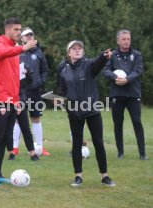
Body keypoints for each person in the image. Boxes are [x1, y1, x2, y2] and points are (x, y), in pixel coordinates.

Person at [0, 17, 37, 186]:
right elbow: (1, 53)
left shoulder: (15, 48)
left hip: (12, 99)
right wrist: (23, 48)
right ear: (7, 30)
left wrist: (17, 100)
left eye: (20, 30)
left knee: (6, 137)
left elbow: (14, 78)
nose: (19, 33)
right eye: (16, 30)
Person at [56, 40, 115, 186]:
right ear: (68, 52)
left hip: (92, 110)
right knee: (76, 144)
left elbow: (98, 63)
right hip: (74, 112)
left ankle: (104, 176)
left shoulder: (89, 65)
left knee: (98, 142)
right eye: (74, 49)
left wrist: (103, 56)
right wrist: (58, 99)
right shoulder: (63, 70)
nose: (77, 50)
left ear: (83, 51)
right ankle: (78, 176)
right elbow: (62, 90)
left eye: (79, 48)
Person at [102, 30, 148, 160]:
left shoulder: (137, 55)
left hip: (133, 94)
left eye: (128, 39)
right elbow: (105, 71)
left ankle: (142, 153)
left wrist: (127, 79)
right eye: (123, 39)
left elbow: (138, 70)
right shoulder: (112, 55)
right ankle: (120, 152)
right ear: (118, 41)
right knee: (118, 123)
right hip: (117, 94)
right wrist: (115, 77)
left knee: (137, 122)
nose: (126, 41)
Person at [13, 27, 50, 156]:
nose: (29, 37)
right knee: (17, 119)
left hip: (35, 91)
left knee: (36, 117)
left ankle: (40, 146)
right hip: (20, 91)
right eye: (26, 35)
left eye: (31, 35)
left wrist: (41, 81)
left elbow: (45, 70)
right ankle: (14, 147)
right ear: (21, 38)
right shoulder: (16, 52)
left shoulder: (39, 52)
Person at [6, 63, 40, 161]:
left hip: (20, 101)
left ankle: (32, 153)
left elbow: (29, 83)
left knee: (25, 128)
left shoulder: (22, 66)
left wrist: (27, 74)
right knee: (9, 128)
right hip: (8, 100)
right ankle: (10, 152)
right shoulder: (6, 66)